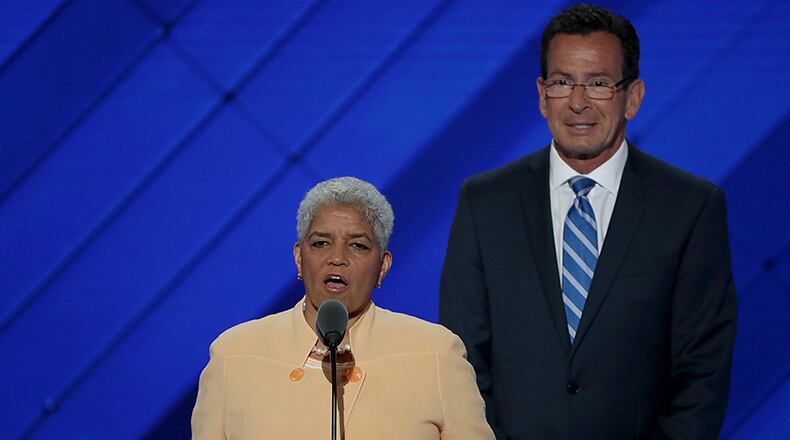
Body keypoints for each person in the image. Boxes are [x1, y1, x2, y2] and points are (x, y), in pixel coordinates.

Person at [439, 4, 737, 440]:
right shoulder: (484, 203)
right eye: (562, 82)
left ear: (632, 97)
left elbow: (702, 374)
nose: (577, 103)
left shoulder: (690, 208)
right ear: (542, 95)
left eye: (598, 83)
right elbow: (461, 359)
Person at [192, 177, 494, 439]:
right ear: (299, 258)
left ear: (383, 267)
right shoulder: (233, 355)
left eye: (358, 246)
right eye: (321, 243)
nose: (337, 258)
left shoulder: (436, 354)